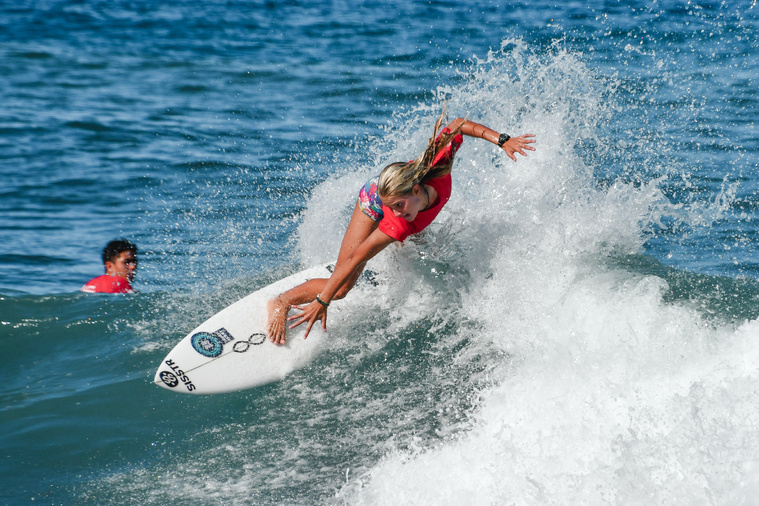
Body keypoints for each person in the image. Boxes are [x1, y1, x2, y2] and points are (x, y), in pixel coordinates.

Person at [266, 110, 535, 343]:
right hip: (375, 197)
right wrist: (323, 301)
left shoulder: (437, 165)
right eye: (394, 209)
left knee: (425, 247)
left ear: (417, 190)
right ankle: (281, 301)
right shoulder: (397, 221)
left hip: (394, 184)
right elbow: (355, 257)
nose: (395, 213)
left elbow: (458, 125)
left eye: (399, 206)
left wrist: (502, 140)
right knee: (343, 288)